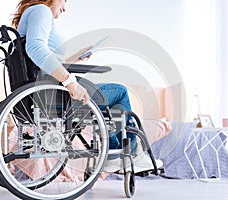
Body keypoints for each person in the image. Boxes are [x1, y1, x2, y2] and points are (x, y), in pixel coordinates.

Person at [11, 0, 162, 173]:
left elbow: (40, 64)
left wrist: (75, 58)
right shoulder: (41, 11)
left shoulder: (31, 14)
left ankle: (113, 155)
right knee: (120, 92)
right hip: (56, 95)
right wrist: (70, 82)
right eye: (64, 1)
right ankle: (127, 155)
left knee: (111, 100)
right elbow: (36, 48)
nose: (64, 8)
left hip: (47, 92)